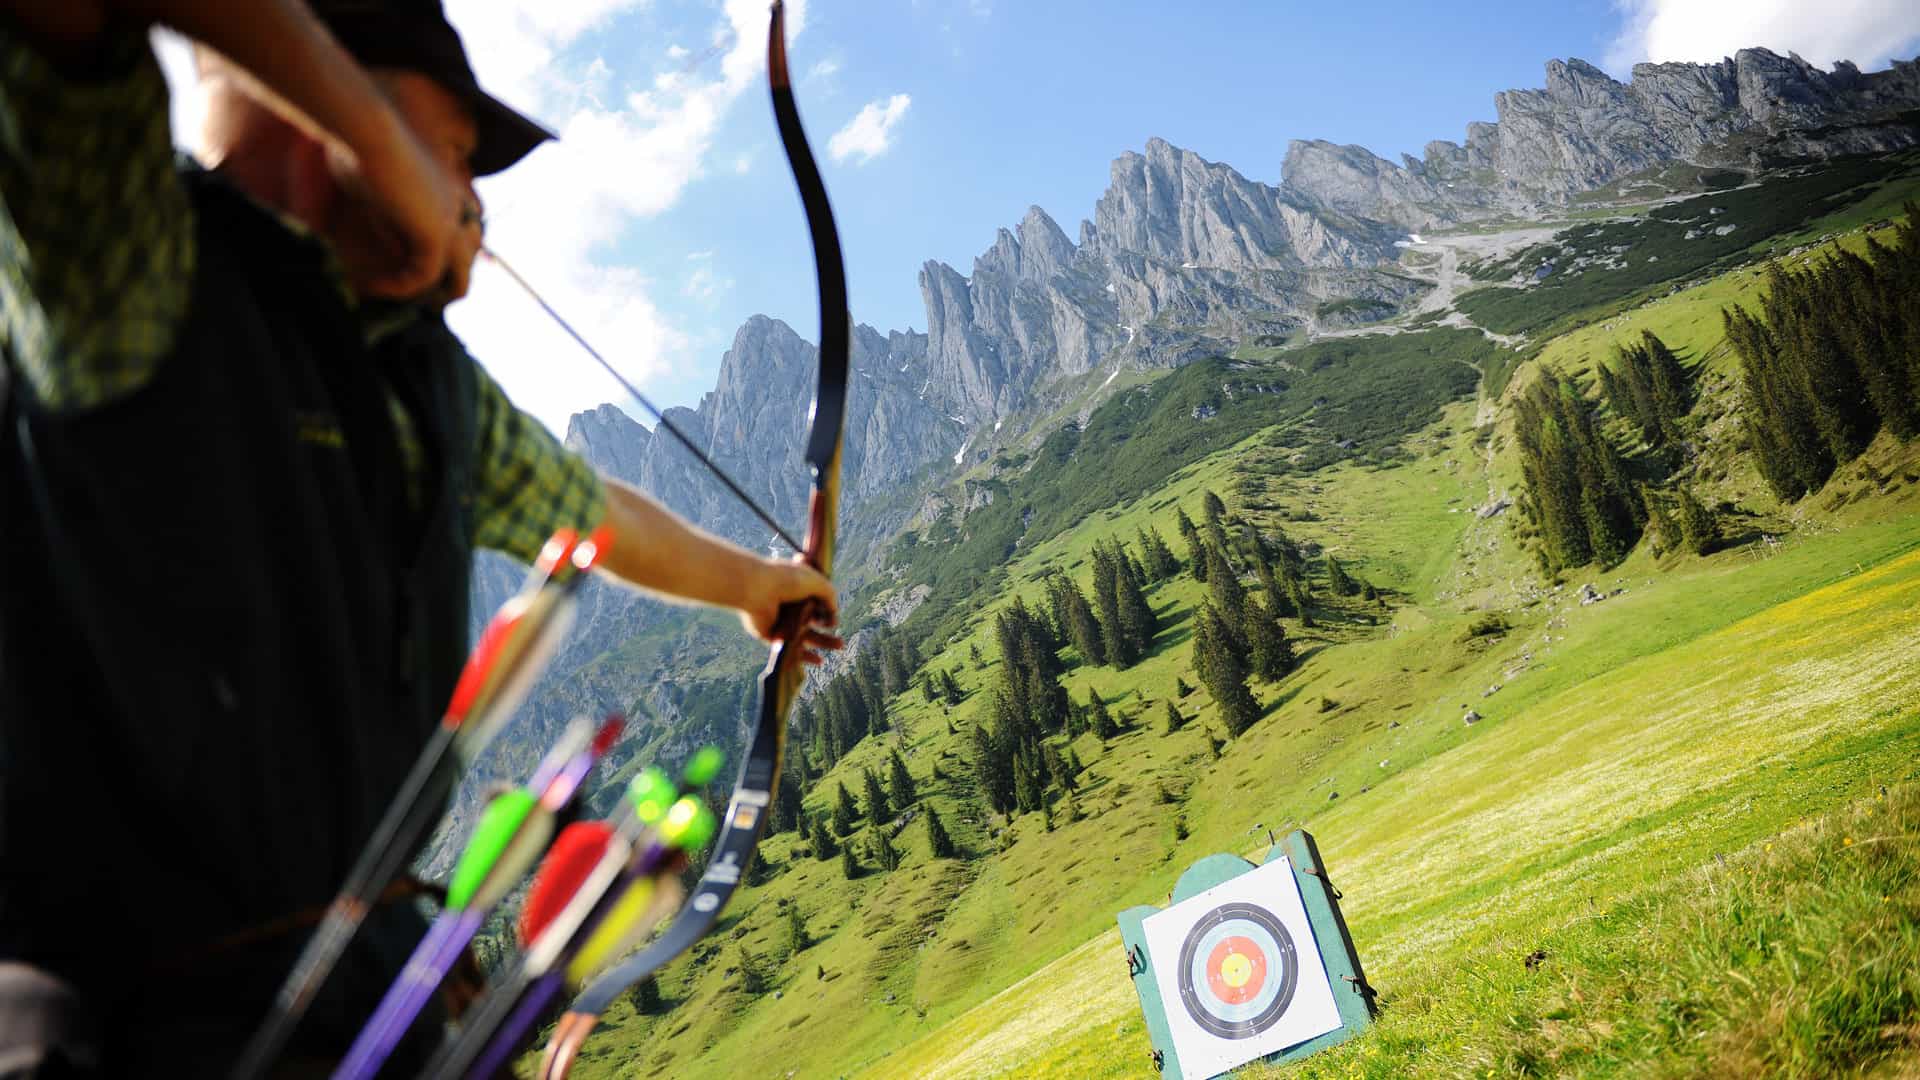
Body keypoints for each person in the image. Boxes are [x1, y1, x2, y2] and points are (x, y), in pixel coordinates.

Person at [0, 1, 839, 1073]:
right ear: (319, 103)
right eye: (450, 148)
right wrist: (365, 124)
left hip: (376, 1010)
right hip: (126, 1033)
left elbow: (593, 511)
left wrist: (757, 585)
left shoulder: (423, 383)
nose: (472, 200)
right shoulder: (130, 267)